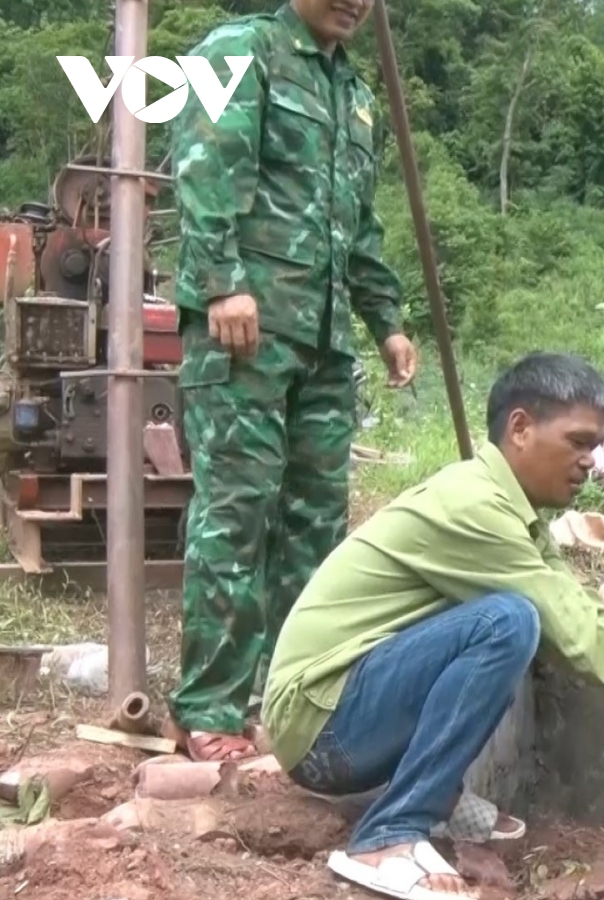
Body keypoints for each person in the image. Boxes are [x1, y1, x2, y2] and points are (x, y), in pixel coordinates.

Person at [264, 352, 604, 900]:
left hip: (340, 714)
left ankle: (437, 798)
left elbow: (580, 612)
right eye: (578, 442)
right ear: (520, 427)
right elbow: (587, 644)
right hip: (320, 727)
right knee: (509, 621)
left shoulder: (512, 510)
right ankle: (388, 834)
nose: (592, 462)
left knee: (521, 616)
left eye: (596, 447)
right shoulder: (475, 506)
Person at [166, 0, 419, 763]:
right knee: (238, 513)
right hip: (244, 329)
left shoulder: (355, 93)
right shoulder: (240, 51)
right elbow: (204, 167)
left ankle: (290, 699)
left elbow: (359, 223)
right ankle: (210, 706)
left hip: (323, 339)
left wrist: (387, 319)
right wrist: (220, 282)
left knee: (314, 523)